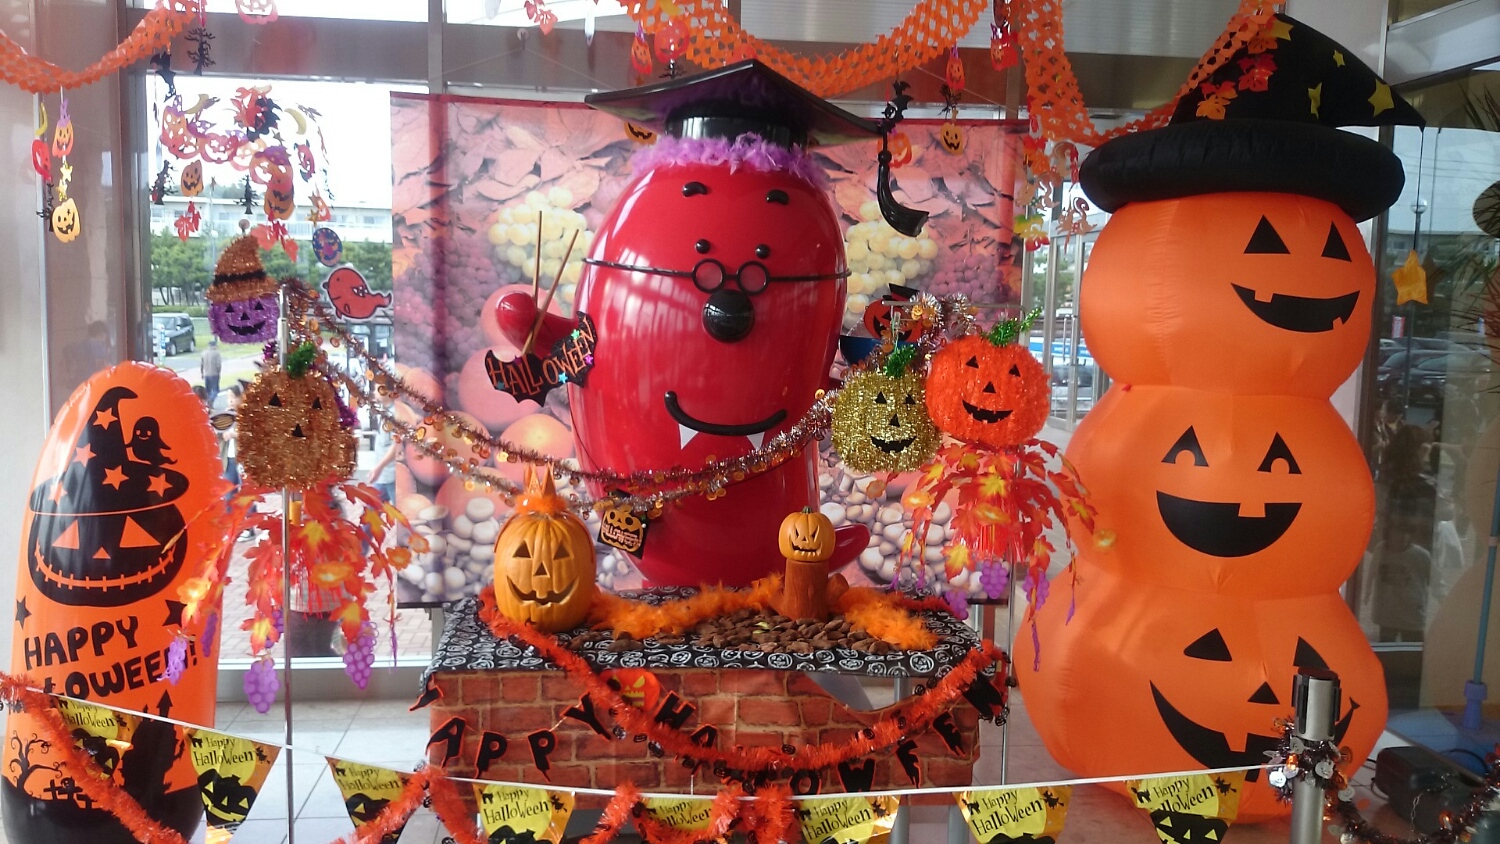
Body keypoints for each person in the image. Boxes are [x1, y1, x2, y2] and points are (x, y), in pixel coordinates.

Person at [365, 392, 400, 504]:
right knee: (371, 508)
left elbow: (396, 444)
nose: (374, 392)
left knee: (400, 511)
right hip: (383, 476)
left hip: (393, 475)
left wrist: (379, 467)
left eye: (377, 389)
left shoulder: (395, 414)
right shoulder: (384, 411)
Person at [201, 338, 223, 409]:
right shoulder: (217, 353)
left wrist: (202, 373)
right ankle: (211, 399)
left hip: (206, 374)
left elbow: (201, 365)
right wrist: (218, 372)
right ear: (214, 346)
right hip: (214, 374)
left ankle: (209, 403)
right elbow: (219, 365)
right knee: (216, 390)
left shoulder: (204, 353)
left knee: (208, 390)